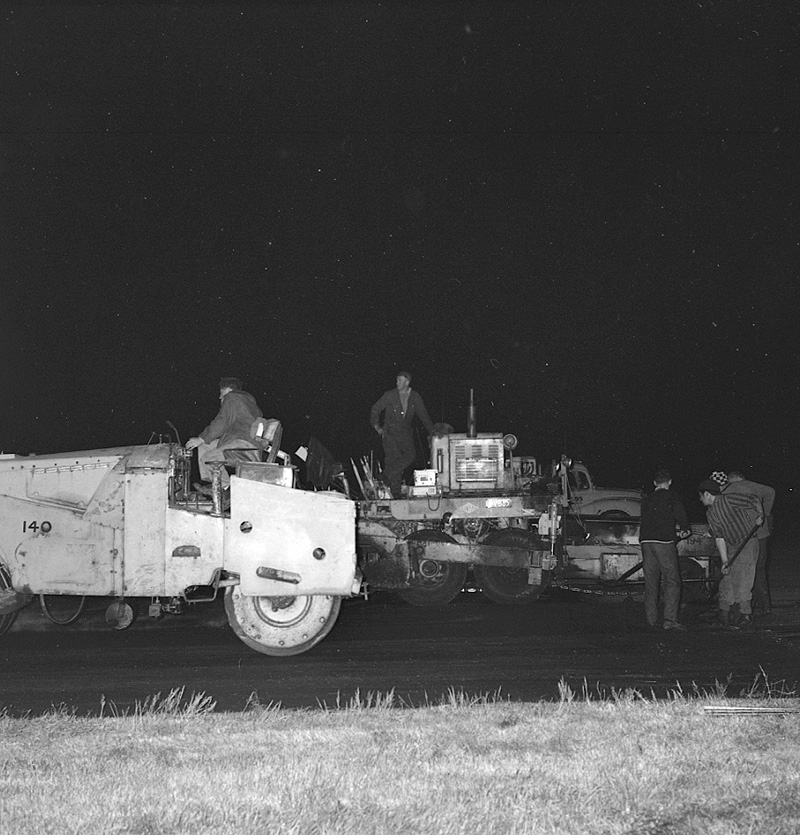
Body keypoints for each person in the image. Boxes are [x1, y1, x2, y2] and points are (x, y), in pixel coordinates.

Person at [698, 478, 763, 629]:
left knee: (744, 578)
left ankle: (745, 615)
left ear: (707, 494)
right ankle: (724, 612)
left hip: (748, 543)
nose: (700, 499)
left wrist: (760, 513)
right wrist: (725, 561)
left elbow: (753, 499)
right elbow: (719, 537)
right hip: (731, 545)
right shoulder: (710, 513)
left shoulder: (729, 499)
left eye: (700, 496)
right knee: (727, 579)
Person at [186, 377, 263, 492]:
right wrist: (204, 441)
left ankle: (224, 488)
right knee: (205, 446)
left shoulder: (232, 398)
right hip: (243, 440)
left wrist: (201, 438)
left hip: (244, 443)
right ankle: (213, 481)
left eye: (221, 392)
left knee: (209, 457)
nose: (219, 397)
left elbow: (222, 422)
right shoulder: (246, 401)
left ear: (227, 389)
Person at [639, 468, 691, 631]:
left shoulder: (646, 499)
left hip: (646, 542)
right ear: (669, 482)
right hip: (664, 542)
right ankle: (669, 620)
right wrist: (685, 528)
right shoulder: (671, 496)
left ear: (655, 483)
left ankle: (651, 619)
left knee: (651, 582)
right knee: (671, 580)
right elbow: (680, 514)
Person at [369, 370, 434, 499]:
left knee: (410, 456)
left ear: (407, 382)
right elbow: (375, 409)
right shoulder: (390, 395)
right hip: (390, 434)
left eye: (399, 380)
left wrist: (432, 431)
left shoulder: (415, 396)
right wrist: (377, 427)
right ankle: (396, 492)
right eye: (397, 380)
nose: (397, 382)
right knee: (394, 459)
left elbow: (423, 415)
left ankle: (386, 474)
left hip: (405, 433)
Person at [724, 470, 776, 615]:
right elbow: (771, 492)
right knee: (759, 569)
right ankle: (765, 606)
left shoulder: (729, 489)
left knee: (742, 570)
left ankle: (739, 605)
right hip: (760, 533)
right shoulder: (754, 486)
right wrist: (764, 513)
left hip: (742, 536)